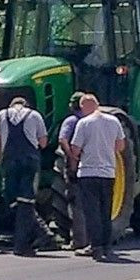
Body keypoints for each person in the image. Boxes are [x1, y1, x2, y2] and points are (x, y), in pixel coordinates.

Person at [0, 96, 56, 256]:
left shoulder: (2, 114)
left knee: (12, 199)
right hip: (29, 161)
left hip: (10, 161)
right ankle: (25, 243)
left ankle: (41, 233)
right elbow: (43, 142)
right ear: (26, 105)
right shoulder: (35, 115)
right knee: (26, 201)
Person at [70, 94, 126, 263]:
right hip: (108, 173)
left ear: (84, 107)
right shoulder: (114, 121)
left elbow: (75, 148)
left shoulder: (84, 123)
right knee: (105, 211)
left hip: (88, 172)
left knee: (92, 212)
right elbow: (120, 146)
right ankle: (107, 246)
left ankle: (96, 247)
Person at [58, 92, 89, 256]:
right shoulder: (90, 121)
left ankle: (79, 241)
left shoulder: (71, 121)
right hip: (90, 167)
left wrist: (71, 157)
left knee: (75, 204)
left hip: (75, 166)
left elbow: (63, 140)